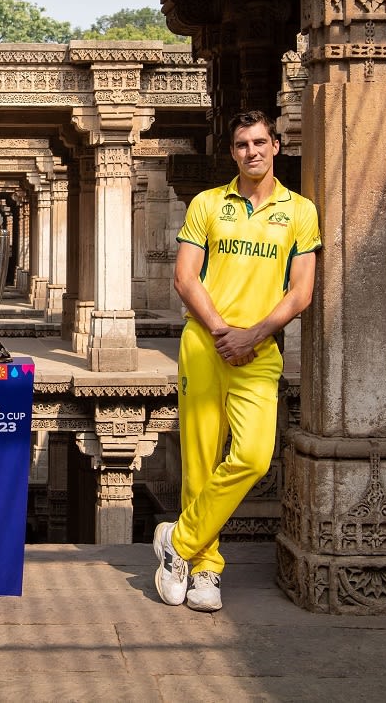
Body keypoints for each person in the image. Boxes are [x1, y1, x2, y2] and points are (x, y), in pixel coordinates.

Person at [155, 110, 321, 612]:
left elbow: (302, 292)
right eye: (242, 144)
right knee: (201, 458)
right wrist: (224, 331)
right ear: (233, 152)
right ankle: (205, 569)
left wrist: (254, 333)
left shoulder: (300, 211)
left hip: (260, 349)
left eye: (260, 142)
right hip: (206, 344)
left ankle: (177, 543)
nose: (252, 151)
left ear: (275, 146)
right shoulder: (209, 204)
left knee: (251, 455)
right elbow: (186, 279)